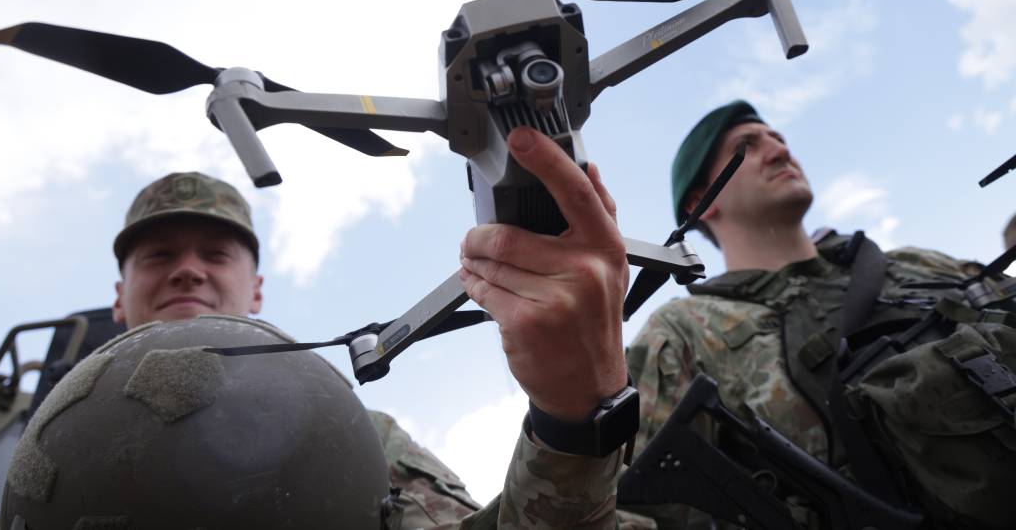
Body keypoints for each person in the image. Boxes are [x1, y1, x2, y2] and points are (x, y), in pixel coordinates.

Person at [107, 126, 634, 529]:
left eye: (216, 254)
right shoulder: (22, 424)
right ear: (117, 298)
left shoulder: (344, 434)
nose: (189, 269)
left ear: (257, 293)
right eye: (160, 255)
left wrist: (570, 421)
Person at [624, 100, 1016, 528]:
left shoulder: (916, 264)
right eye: (746, 147)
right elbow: (630, 509)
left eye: (779, 139)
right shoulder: (686, 331)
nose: (779, 151)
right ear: (701, 203)